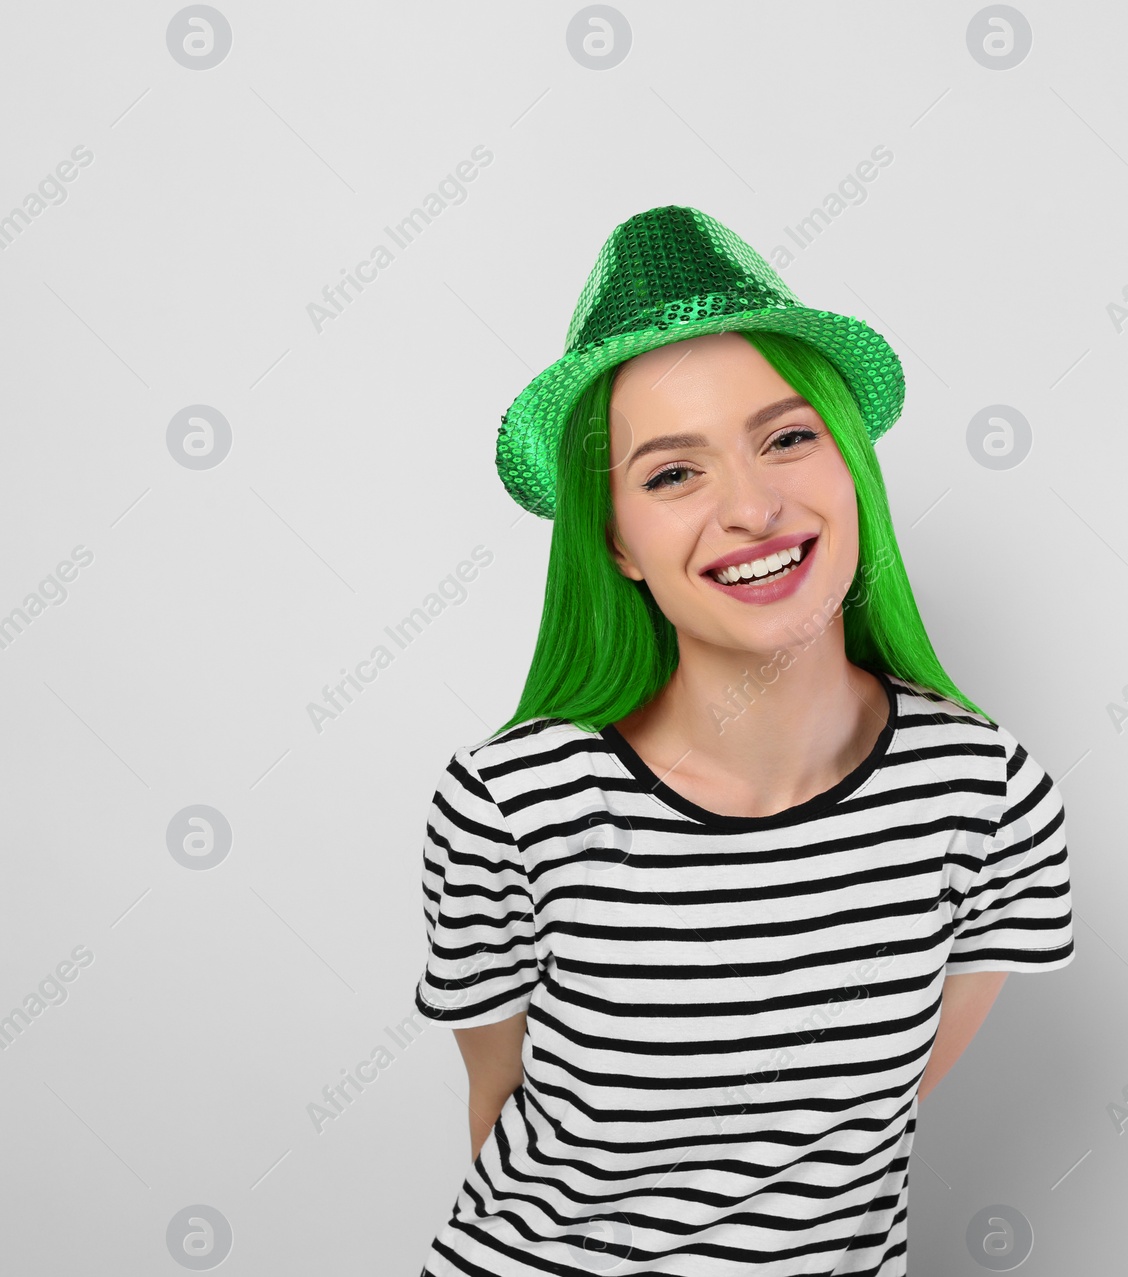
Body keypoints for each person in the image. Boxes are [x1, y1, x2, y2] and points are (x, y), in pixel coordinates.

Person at [413, 206, 1074, 1275]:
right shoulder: (510, 803)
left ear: (850, 463)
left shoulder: (986, 797)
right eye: (673, 473)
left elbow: (851, 1136)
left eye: (786, 437)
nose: (752, 506)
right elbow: (496, 1105)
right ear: (618, 541)